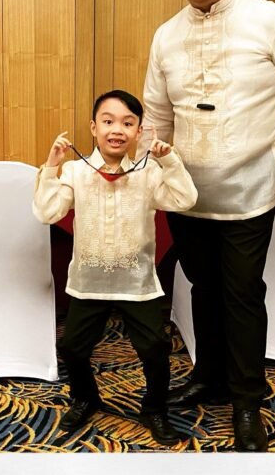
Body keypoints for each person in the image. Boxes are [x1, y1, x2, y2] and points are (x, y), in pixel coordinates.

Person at [138, 0, 275, 452]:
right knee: (202, 289)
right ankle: (210, 377)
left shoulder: (271, 20)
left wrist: (270, 122)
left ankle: (247, 401)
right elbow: (156, 113)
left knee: (243, 294)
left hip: (247, 191)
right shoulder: (166, 35)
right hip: (187, 193)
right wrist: (151, 175)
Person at [33, 90, 197, 446]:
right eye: (108, 121)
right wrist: (52, 166)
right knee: (72, 348)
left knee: (155, 348)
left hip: (136, 281)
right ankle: (85, 397)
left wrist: (169, 162)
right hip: (88, 280)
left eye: (127, 123)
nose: (117, 130)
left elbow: (184, 199)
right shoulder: (76, 171)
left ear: (138, 131)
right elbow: (47, 212)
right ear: (94, 128)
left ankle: (154, 409)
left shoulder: (148, 173)